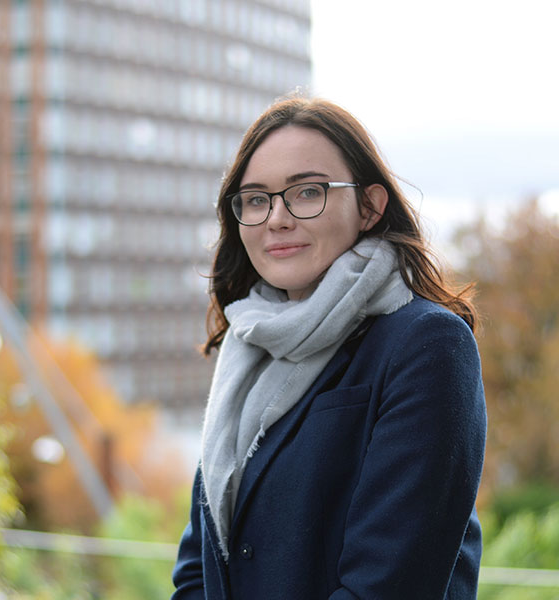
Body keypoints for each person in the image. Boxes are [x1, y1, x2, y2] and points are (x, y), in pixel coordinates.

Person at [172, 96, 487, 599]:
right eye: (255, 199)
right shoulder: (247, 350)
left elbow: (386, 586)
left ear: (369, 206)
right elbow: (197, 569)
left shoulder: (426, 345)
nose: (276, 218)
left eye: (307, 192)